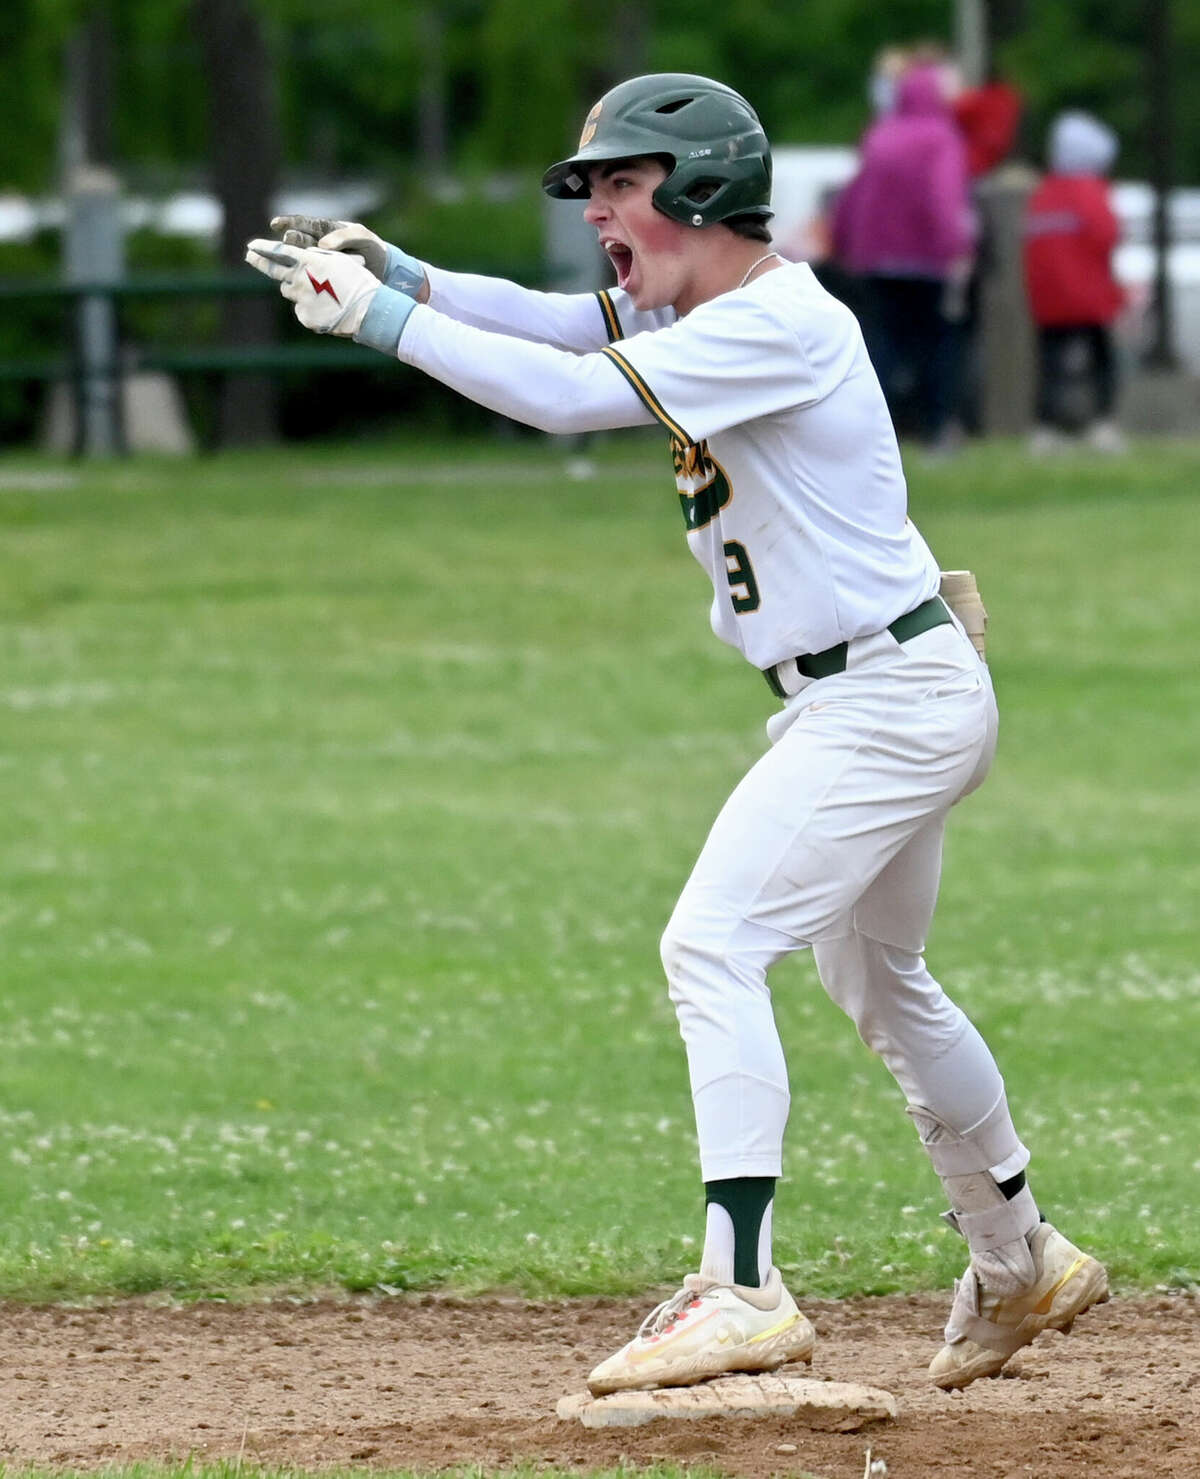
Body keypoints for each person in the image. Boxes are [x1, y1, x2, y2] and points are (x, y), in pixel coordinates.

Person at [246, 73, 1108, 1394]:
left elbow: (565, 395)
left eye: (622, 184)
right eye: (592, 187)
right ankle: (1020, 1257)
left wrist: (378, 318)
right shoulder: (709, 307)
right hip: (875, 689)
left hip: (883, 695)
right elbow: (553, 326)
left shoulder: (772, 320)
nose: (598, 209)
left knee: (712, 941)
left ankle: (742, 1284)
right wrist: (403, 270)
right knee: (882, 983)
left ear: (702, 189)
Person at [830, 61, 975, 453]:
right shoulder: (942, 137)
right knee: (936, 343)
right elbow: (944, 198)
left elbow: (855, 194)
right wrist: (957, 248)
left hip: (877, 259)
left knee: (882, 344)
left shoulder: (881, 135)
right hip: (928, 260)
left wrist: (842, 241)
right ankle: (938, 428)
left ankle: (875, 431)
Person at [1023, 110, 1127, 454]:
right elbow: (1108, 235)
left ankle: (1045, 426)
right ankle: (1102, 422)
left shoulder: (1044, 192)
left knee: (1050, 364)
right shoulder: (1092, 191)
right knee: (1101, 359)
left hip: (1048, 299)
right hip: (1088, 296)